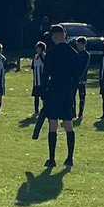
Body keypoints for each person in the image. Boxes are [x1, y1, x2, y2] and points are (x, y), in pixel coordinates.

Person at [40, 25, 77, 168]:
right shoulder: (73, 52)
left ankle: (52, 159)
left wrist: (43, 92)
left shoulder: (51, 53)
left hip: (54, 90)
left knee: (53, 124)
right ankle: (69, 158)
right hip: (67, 90)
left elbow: (45, 74)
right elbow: (79, 71)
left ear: (55, 36)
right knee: (68, 124)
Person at [72, 36, 91, 123]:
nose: (78, 47)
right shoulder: (75, 53)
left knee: (82, 97)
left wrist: (79, 78)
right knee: (72, 96)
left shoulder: (86, 55)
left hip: (82, 79)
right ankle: (73, 113)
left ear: (84, 45)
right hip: (74, 78)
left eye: (79, 45)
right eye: (77, 45)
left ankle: (80, 113)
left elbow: (84, 67)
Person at [30, 41, 46, 118]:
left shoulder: (44, 56)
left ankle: (45, 110)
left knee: (43, 97)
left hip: (42, 81)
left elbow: (45, 64)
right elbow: (33, 67)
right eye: (37, 48)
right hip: (36, 80)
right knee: (36, 96)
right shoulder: (35, 57)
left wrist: (41, 55)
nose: (37, 50)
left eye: (39, 48)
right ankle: (36, 111)